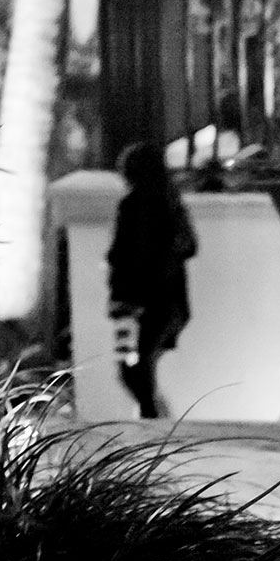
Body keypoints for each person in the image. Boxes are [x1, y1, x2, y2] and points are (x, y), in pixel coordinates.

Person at [107, 142, 198, 420]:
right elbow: (189, 246)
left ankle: (152, 420)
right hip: (162, 301)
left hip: (139, 302)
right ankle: (153, 417)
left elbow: (124, 254)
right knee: (138, 364)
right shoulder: (171, 204)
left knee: (133, 365)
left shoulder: (136, 206)